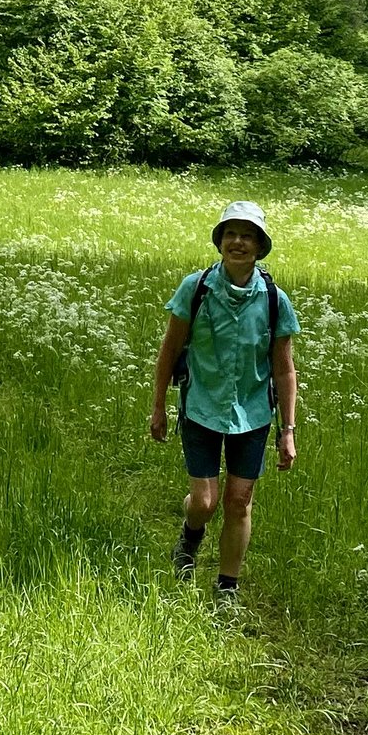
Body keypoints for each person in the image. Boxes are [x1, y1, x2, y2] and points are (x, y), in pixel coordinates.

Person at [148, 200, 299, 592]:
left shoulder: (273, 300)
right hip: (201, 409)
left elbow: (283, 368)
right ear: (219, 242)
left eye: (247, 236)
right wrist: (158, 406)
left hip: (252, 415)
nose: (238, 242)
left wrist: (288, 430)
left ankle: (226, 587)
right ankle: (190, 536)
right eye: (231, 234)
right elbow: (168, 351)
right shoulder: (195, 289)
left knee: (238, 501)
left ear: (260, 246)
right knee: (205, 502)